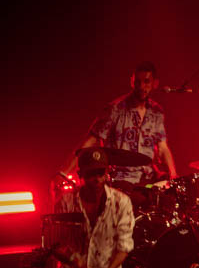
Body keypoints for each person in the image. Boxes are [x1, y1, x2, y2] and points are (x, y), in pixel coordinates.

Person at [60, 61, 178, 189]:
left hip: (148, 180)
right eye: (137, 82)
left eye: (146, 82)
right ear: (131, 82)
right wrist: (63, 173)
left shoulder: (157, 112)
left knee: (168, 194)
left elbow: (163, 147)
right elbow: (89, 141)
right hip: (120, 179)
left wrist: (173, 175)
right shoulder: (115, 109)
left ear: (155, 83)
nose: (141, 86)